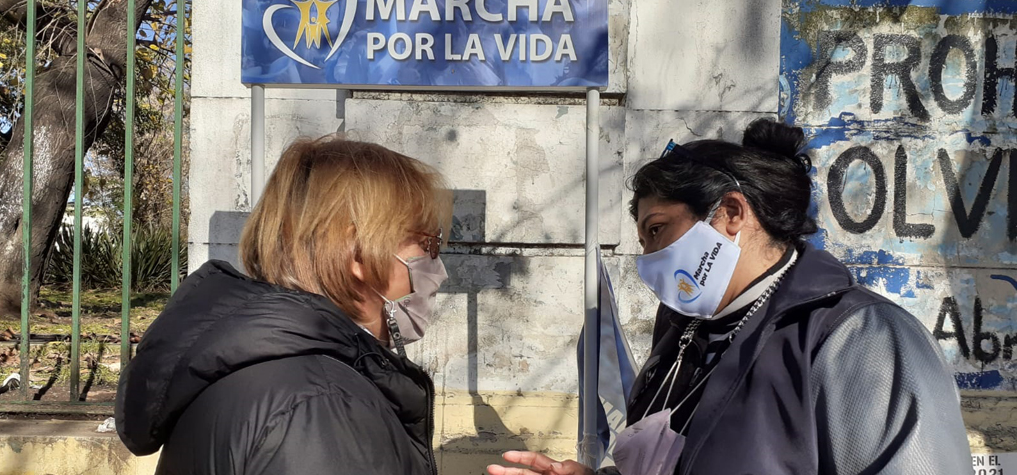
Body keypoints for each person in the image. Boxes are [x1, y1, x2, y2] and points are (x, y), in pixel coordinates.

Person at [489, 119, 972, 475]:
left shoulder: (859, 340)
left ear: (732, 213)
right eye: (643, 242)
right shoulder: (681, 335)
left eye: (658, 231)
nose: (649, 259)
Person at [116, 137, 450, 474]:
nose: (438, 269)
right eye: (427, 243)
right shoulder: (323, 405)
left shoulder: (252, 366)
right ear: (358, 251)